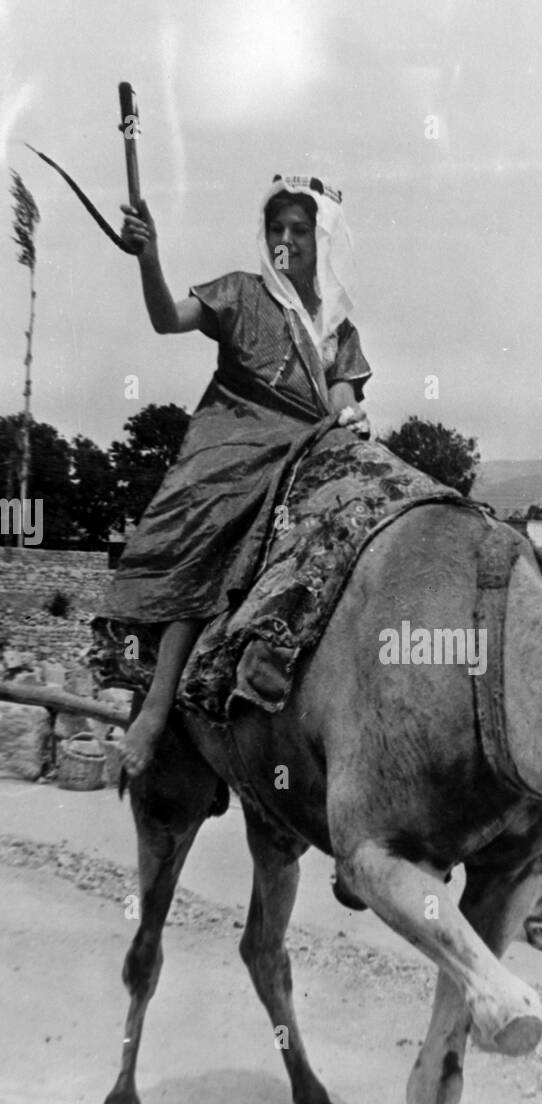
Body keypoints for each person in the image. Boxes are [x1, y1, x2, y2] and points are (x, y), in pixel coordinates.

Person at [105, 175, 371, 775]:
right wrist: (149, 256)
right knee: (216, 526)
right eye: (275, 228)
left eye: (299, 230)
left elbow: (340, 399)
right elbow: (167, 318)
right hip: (230, 447)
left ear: (321, 239)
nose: (285, 240)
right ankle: (156, 706)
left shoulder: (338, 329)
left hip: (303, 453)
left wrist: (352, 415)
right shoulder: (241, 293)